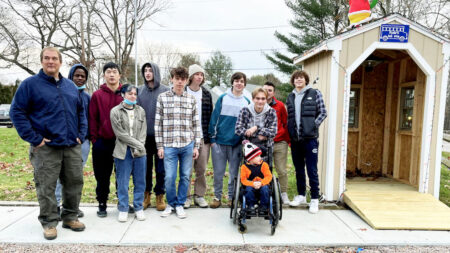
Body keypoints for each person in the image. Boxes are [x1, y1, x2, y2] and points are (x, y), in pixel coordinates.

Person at [10, 47, 87, 240]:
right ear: (42, 61)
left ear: (60, 62)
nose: (50, 61)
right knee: (46, 186)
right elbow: (16, 113)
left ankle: (70, 216)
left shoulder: (70, 86)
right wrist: (35, 138)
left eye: (54, 58)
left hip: (71, 145)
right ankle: (49, 222)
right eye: (47, 58)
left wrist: (81, 134)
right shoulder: (30, 85)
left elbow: (80, 112)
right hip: (46, 148)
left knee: (74, 182)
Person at [155, 67, 201, 219]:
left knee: (185, 176)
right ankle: (171, 203)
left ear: (187, 80)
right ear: (172, 79)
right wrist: (160, 146)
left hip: (187, 144)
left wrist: (196, 145)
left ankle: (180, 204)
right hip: (169, 145)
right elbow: (158, 124)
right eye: (177, 78)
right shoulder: (163, 98)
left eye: (183, 79)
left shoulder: (191, 99)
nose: (180, 82)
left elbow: (196, 124)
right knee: (169, 177)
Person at [286, 70, 327, 213]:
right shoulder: (290, 96)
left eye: (301, 78)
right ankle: (301, 195)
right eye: (296, 78)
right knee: (298, 169)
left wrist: (313, 126)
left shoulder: (315, 93)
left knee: (312, 169)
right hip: (295, 140)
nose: (298, 80)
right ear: (293, 81)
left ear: (306, 80)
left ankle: (314, 198)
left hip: (310, 140)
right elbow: (289, 117)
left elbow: (323, 112)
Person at [208, 72, 250, 208]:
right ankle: (217, 197)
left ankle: (232, 197)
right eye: (236, 81)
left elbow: (247, 124)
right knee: (218, 173)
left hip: (236, 144)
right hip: (219, 143)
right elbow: (214, 119)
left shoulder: (246, 102)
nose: (239, 83)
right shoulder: (223, 98)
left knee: (233, 173)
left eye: (242, 81)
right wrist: (213, 140)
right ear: (232, 82)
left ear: (244, 84)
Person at [55, 64, 90, 219]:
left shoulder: (88, 97)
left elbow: (89, 120)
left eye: (83, 76)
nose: (80, 78)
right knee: (58, 175)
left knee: (75, 177)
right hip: (62, 142)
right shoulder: (62, 93)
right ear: (70, 76)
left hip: (82, 143)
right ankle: (55, 205)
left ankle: (71, 207)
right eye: (77, 75)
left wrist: (84, 137)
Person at [89, 62, 123, 217]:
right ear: (104, 75)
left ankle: (122, 202)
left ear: (119, 75)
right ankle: (102, 202)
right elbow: (92, 119)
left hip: (121, 142)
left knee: (122, 174)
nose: (111, 74)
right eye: (108, 72)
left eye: (114, 71)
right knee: (102, 175)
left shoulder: (125, 94)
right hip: (102, 142)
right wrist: (95, 140)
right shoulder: (97, 95)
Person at [111, 84, 147, 222]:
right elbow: (120, 134)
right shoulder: (115, 111)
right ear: (123, 94)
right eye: (129, 93)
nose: (133, 96)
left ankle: (138, 207)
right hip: (122, 151)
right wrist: (138, 144)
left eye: (134, 94)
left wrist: (140, 146)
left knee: (140, 181)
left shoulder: (141, 111)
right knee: (123, 181)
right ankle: (123, 208)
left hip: (140, 152)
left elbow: (143, 131)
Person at [137, 62, 168, 211]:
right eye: (145, 71)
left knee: (161, 169)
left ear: (156, 72)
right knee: (145, 168)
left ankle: (160, 195)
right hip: (144, 138)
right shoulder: (139, 91)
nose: (148, 73)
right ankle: (146, 195)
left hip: (161, 138)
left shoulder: (165, 91)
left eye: (150, 70)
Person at [184, 64, 213, 209]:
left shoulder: (206, 94)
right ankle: (186, 196)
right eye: (197, 74)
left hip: (203, 137)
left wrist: (210, 136)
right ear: (190, 77)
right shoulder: (183, 91)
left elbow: (210, 116)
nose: (199, 77)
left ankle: (199, 196)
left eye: (201, 75)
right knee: (187, 169)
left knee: (201, 168)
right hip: (186, 137)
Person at [263, 82, 291, 205]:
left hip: (279, 142)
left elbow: (286, 123)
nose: (267, 92)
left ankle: (283, 193)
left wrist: (287, 140)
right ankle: (265, 192)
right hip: (264, 143)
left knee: (281, 170)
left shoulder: (279, 106)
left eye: (270, 90)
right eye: (265, 90)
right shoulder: (259, 104)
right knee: (263, 169)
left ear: (273, 93)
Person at [235, 88, 277, 165]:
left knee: (264, 173)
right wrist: (261, 133)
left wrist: (256, 128)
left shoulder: (271, 112)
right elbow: (238, 129)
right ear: (253, 99)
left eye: (263, 99)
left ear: (266, 100)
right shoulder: (245, 110)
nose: (260, 101)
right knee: (248, 173)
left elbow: (273, 131)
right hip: (248, 148)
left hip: (265, 148)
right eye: (257, 98)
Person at [240, 141, 272, 214]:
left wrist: (261, 183)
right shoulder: (244, 167)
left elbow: (269, 176)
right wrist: (253, 184)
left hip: (263, 184)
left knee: (265, 189)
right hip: (250, 185)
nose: (260, 158)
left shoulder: (264, 165)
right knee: (248, 190)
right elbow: (243, 180)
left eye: (260, 156)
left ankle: (264, 207)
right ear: (251, 159)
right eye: (257, 156)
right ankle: (251, 206)